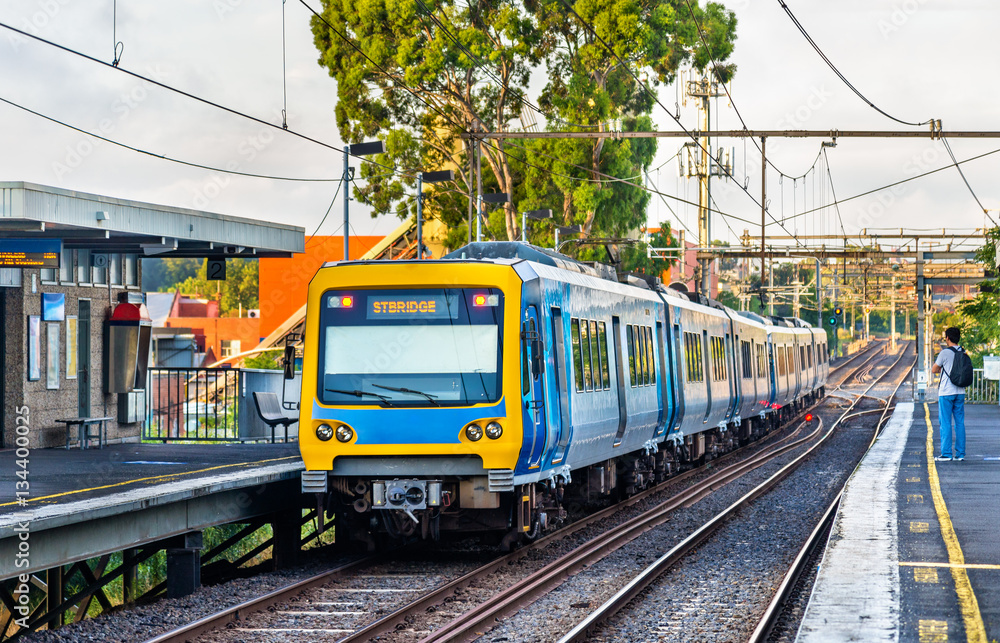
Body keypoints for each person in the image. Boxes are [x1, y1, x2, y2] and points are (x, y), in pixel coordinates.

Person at [931, 326, 967, 462]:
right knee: (959, 423)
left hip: (946, 392)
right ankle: (960, 454)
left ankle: (946, 454)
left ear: (947, 338)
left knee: (945, 422)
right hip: (960, 392)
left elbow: (934, 369)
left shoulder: (945, 353)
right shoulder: (963, 352)